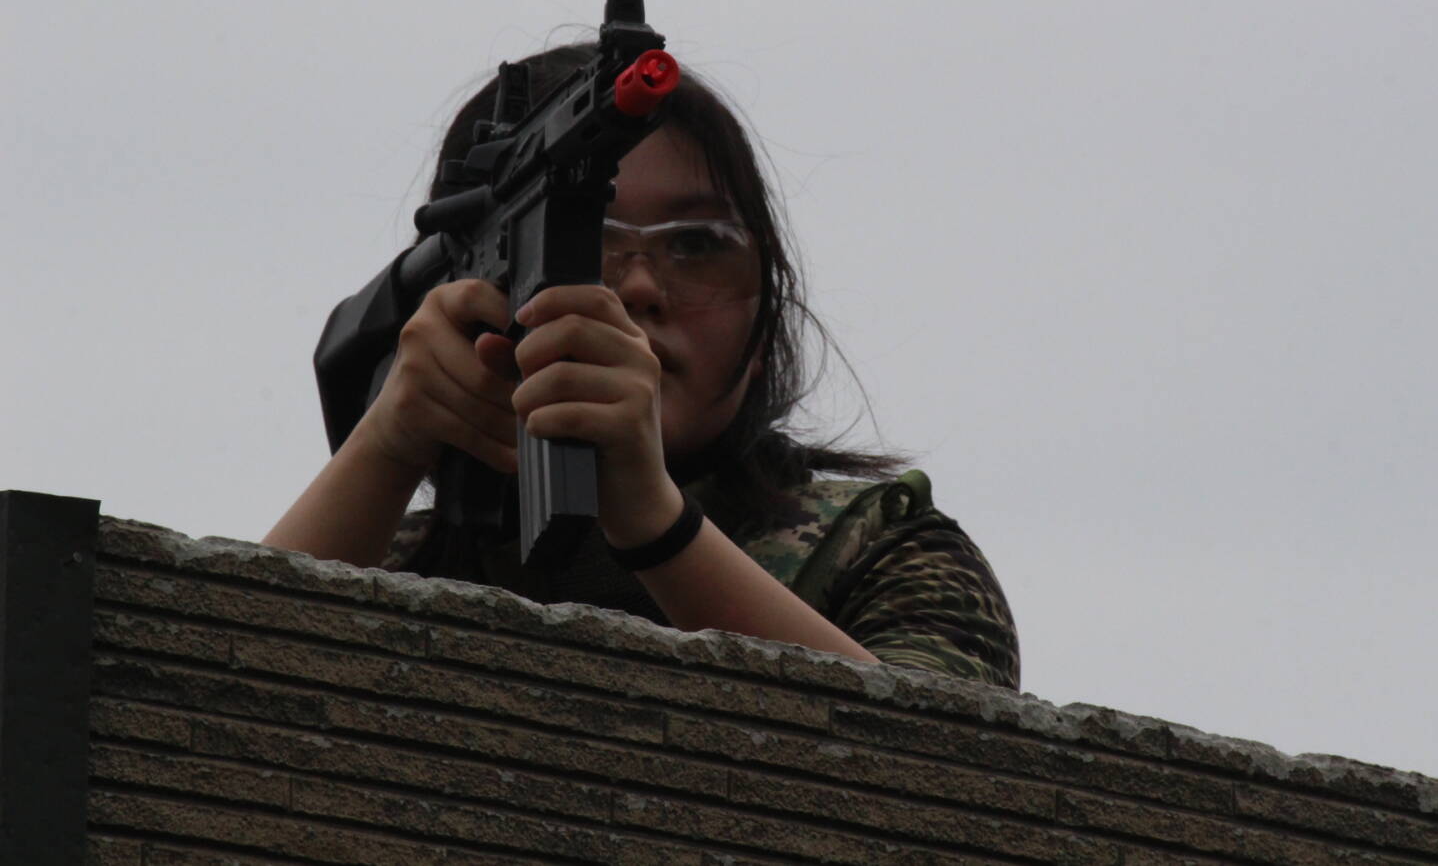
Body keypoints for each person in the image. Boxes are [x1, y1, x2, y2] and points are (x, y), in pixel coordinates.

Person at [265, 45, 1019, 689]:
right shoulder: (382, 566)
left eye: (698, 245)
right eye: (584, 237)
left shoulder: (880, 552)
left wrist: (653, 523)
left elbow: (955, 778)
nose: (639, 289)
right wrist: (386, 446)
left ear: (764, 325)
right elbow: (211, 698)